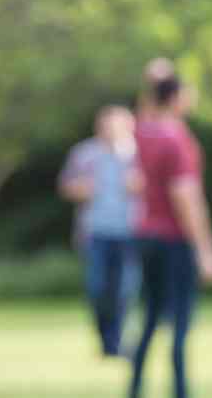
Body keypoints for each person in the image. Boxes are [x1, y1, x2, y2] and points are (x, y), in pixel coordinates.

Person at [129, 71, 212, 398]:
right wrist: (206, 250)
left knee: (151, 317)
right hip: (174, 239)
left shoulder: (142, 133)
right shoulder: (178, 139)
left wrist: (153, 79)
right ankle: (181, 391)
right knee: (181, 321)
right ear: (175, 98)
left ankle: (134, 388)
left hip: (145, 235)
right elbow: (186, 197)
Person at [58, 105, 142, 357]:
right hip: (95, 232)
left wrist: (140, 185)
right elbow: (66, 185)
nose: (110, 131)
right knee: (97, 289)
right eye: (106, 126)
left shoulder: (139, 154)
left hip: (131, 231)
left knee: (125, 289)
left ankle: (118, 343)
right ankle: (105, 340)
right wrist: (80, 188)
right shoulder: (84, 153)